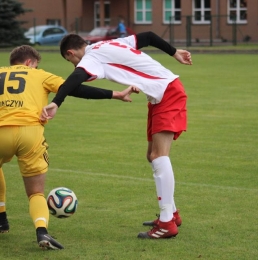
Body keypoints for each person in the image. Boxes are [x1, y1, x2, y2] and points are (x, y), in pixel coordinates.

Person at [41, 31, 192, 239]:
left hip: (167, 92)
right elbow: (147, 36)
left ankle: (167, 224)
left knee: (159, 156)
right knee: (152, 156)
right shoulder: (110, 44)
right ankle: (171, 214)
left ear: (71, 52)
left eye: (70, 60)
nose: (74, 65)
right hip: (161, 94)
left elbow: (76, 78)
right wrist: (174, 53)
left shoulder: (91, 57)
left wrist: (56, 102)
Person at [0, 45, 138, 249]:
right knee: (36, 193)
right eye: (36, 65)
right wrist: (116, 94)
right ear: (30, 63)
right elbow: (74, 88)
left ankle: (2, 217)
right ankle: (42, 233)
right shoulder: (40, 76)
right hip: (30, 132)